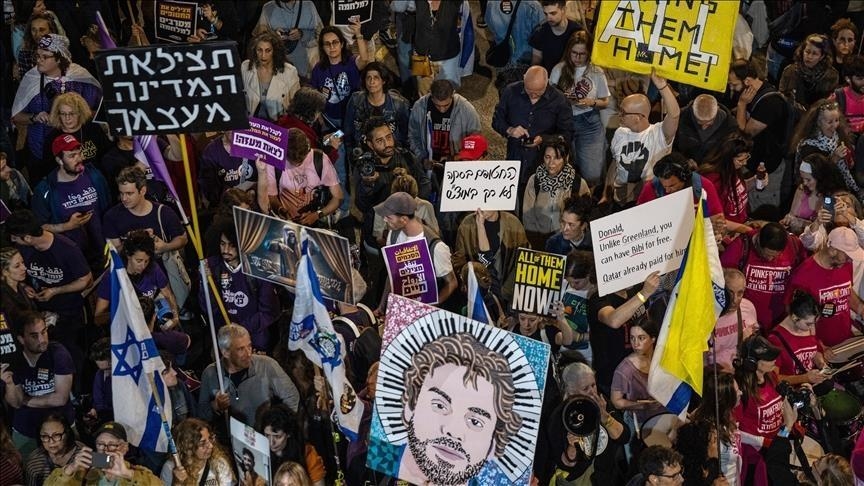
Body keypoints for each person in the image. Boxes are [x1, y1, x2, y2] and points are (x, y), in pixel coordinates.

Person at [396, 332, 523, 486]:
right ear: (410, 407)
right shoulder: (381, 458)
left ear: (492, 444)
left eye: (475, 422)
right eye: (440, 406)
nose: (453, 431)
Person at [5, 210, 93, 376]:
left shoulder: (67, 249)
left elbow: (86, 280)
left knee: (70, 356)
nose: (12, 241)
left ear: (28, 238)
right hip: (37, 313)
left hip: (69, 313)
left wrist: (55, 291)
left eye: (15, 238)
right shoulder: (23, 248)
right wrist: (23, 286)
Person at [11, 33, 101, 184]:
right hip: (41, 150)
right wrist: (34, 117)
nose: (39, 60)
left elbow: (99, 112)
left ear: (59, 58)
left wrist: (79, 114)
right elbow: (16, 117)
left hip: (79, 150)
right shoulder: (31, 78)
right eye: (37, 56)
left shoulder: (79, 76)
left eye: (45, 57)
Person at [31, 133, 111, 270]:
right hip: (71, 260)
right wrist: (66, 226)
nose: (79, 159)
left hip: (103, 254)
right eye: (72, 156)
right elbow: (38, 228)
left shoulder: (95, 176)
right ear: (59, 160)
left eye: (79, 153)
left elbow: (108, 209)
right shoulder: (45, 190)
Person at [732, 335, 804, 485]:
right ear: (752, 362)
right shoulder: (740, 389)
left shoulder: (771, 376)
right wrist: (763, 442)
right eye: (769, 358)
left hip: (777, 444)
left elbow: (781, 405)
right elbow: (733, 431)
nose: (774, 361)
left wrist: (790, 426)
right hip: (756, 456)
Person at [1, 311, 75, 456]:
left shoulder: (58, 352)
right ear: (21, 339)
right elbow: (15, 403)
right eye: (34, 336)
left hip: (61, 429)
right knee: (27, 467)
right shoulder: (12, 358)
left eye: (44, 332)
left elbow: (60, 399)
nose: (42, 339)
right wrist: (10, 383)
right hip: (26, 430)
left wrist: (25, 400)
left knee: (79, 462)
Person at [199, 324, 301, 426]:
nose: (248, 353)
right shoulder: (210, 374)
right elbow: (201, 415)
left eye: (249, 346)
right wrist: (216, 406)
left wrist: (279, 427)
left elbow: (292, 397)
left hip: (263, 433)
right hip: (230, 434)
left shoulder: (266, 365)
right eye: (240, 349)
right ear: (226, 353)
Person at [545, 362, 629, 486]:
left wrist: (606, 417)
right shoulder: (559, 416)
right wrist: (572, 447)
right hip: (579, 479)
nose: (592, 392)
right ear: (571, 391)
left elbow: (624, 437)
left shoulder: (601, 401)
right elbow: (565, 463)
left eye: (593, 385)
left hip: (606, 474)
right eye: (585, 389)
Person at [492, 65, 574, 190]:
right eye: (529, 90)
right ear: (524, 79)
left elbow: (567, 133)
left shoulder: (560, 101)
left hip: (543, 163)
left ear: (547, 83)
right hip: (514, 158)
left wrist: (544, 139)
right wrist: (510, 130)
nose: (533, 96)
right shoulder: (510, 91)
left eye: (538, 92)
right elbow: (497, 120)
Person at [203, 220, 280, 351]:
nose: (226, 250)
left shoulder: (258, 268)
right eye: (222, 244)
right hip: (226, 341)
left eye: (232, 245)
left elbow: (269, 311)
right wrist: (205, 282)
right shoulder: (211, 266)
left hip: (255, 342)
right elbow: (208, 307)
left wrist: (240, 329)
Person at [374, 192, 458, 309]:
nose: (384, 219)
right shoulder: (393, 235)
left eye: (389, 217)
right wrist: (382, 306)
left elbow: (452, 283)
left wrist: (429, 306)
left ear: (404, 219)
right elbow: (392, 274)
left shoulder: (436, 247)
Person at [608, 69, 680, 206]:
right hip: (620, 200)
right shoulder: (619, 133)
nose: (619, 115)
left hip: (648, 202)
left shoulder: (659, 134)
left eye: (623, 112)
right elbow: (615, 163)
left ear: (637, 117)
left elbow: (674, 115)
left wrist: (662, 87)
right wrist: (606, 193)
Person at [720, 222, 807, 330]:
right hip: (747, 322)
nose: (770, 259)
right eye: (766, 254)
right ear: (757, 242)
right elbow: (724, 279)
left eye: (775, 256)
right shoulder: (741, 246)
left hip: (780, 322)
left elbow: (804, 274)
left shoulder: (794, 245)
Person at [787, 226, 864, 347]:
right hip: (820, 347)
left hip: (845, 340)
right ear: (832, 250)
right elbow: (793, 316)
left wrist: (861, 309)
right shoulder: (803, 275)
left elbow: (846, 292)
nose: (850, 260)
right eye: (847, 255)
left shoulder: (845, 265)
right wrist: (817, 344)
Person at [550, 29, 610, 184]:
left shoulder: (596, 71)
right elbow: (549, 99)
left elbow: (605, 102)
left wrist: (592, 102)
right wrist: (563, 100)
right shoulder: (559, 69)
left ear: (589, 53)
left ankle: (590, 194)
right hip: (564, 121)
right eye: (574, 53)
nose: (577, 57)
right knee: (561, 169)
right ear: (568, 51)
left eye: (582, 54)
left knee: (592, 173)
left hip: (589, 122)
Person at [727, 57, 789, 202]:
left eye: (734, 84)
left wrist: (742, 104)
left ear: (747, 81)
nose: (731, 88)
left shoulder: (770, 103)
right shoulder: (753, 93)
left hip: (766, 168)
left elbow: (744, 134)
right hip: (750, 162)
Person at [589, 271, 659, 396]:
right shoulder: (599, 299)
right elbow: (613, 320)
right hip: (613, 377)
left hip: (642, 371)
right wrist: (644, 294)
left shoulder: (636, 289)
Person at [258, 128, 344, 226]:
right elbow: (271, 196)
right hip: (286, 223)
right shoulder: (274, 162)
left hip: (315, 223)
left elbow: (338, 197)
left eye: (302, 160)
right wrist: (280, 209)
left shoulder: (320, 159)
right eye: (293, 161)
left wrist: (316, 215)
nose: (298, 164)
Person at [451, 207, 529, 306]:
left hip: (509, 295)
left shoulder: (513, 223)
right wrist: (470, 283)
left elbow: (524, 259)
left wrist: (507, 292)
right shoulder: (467, 224)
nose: (482, 206)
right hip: (478, 295)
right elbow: (459, 260)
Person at [789, 98, 864, 202]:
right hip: (819, 198)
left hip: (844, 193)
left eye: (837, 120)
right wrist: (833, 160)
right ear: (818, 122)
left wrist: (849, 160)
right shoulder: (807, 147)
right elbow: (812, 177)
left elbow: (849, 169)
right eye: (830, 122)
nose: (835, 126)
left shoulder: (839, 137)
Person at [522, 135, 590, 249]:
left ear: (566, 158)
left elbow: (584, 215)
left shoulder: (577, 183)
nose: (551, 163)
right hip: (539, 241)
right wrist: (535, 241)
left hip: (567, 243)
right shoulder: (534, 180)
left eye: (557, 158)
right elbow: (527, 216)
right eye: (547, 157)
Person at [47, 421, 161, 485]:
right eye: (100, 444)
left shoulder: (138, 472)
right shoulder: (84, 473)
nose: (106, 450)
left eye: (112, 444)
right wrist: (70, 469)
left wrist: (128, 474)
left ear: (125, 448)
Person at [408, 79, 481, 170]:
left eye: (446, 105)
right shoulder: (419, 107)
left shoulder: (466, 109)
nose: (442, 110)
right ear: (431, 95)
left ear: (453, 94)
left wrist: (456, 158)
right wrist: (422, 158)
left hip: (456, 164)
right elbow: (413, 136)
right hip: (428, 163)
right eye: (437, 105)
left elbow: (476, 141)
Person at [610, 317, 668, 427]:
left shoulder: (664, 358)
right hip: (642, 422)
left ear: (653, 339)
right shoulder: (625, 369)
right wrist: (642, 406)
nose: (635, 344)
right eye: (632, 338)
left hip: (667, 416)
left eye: (641, 338)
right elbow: (616, 401)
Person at [698, 133, 759, 235]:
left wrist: (754, 181)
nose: (745, 163)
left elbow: (736, 190)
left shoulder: (733, 169)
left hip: (742, 225)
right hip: (725, 233)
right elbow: (714, 219)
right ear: (727, 158)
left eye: (747, 157)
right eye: (740, 160)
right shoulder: (711, 180)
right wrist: (745, 229)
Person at [689, 371, 743, 486]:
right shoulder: (708, 433)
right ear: (725, 398)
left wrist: (763, 441)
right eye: (737, 391)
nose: (741, 393)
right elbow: (701, 472)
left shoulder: (726, 418)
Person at [345, 62, 412, 154]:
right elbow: (348, 132)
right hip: (363, 152)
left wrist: (402, 155)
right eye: (368, 78)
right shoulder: (356, 100)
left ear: (383, 81)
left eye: (376, 78)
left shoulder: (399, 104)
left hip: (391, 152)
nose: (371, 82)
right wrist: (352, 154)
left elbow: (406, 135)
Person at [310, 23, 369, 126]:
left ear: (342, 44)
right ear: (322, 47)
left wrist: (358, 34)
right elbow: (314, 95)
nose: (332, 47)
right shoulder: (318, 69)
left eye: (335, 42)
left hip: (353, 116)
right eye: (327, 44)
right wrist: (319, 116)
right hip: (329, 119)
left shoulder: (351, 62)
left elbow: (364, 60)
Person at [768, 290, 828, 387]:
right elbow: (773, 379)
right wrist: (804, 378)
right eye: (808, 324)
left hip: (811, 385)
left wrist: (821, 363)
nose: (812, 327)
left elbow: (813, 352)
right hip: (792, 391)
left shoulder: (809, 327)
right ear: (794, 318)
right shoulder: (775, 339)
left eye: (814, 323)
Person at [256, 403, 326, 486]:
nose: (271, 443)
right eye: (267, 435)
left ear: (288, 433)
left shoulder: (307, 453)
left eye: (277, 436)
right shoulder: (260, 452)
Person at [41, 91, 111, 169]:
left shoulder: (92, 128)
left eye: (71, 113)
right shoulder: (52, 138)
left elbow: (107, 154)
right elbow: (48, 169)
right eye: (63, 114)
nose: (67, 118)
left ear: (80, 113)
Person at [780, 153, 846, 235]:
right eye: (802, 179)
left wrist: (802, 223)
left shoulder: (833, 197)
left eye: (808, 180)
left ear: (820, 177)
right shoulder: (801, 189)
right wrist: (787, 220)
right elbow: (792, 215)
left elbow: (827, 228)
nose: (804, 183)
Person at [255, 0, 323, 80]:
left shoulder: (308, 6)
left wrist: (302, 33)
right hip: (278, 70)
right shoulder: (268, 8)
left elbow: (321, 35)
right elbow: (259, 38)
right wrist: (273, 36)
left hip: (306, 69)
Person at [242, 31, 300, 121]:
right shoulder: (245, 67)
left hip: (279, 125)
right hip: (252, 124)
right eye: (259, 50)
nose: (263, 55)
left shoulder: (290, 72)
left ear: (275, 51)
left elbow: (296, 106)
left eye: (268, 50)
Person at [709, 268, 759, 372]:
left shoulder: (748, 307)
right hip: (714, 375)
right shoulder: (707, 316)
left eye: (740, 293)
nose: (735, 300)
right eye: (730, 293)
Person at [160, 418, 235, 485]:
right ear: (188, 447)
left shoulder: (219, 463)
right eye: (202, 443)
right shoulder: (170, 468)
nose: (211, 446)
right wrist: (177, 483)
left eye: (210, 438)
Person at [197, 131, 258, 209]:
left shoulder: (254, 145)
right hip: (226, 208)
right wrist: (232, 196)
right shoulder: (211, 152)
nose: (232, 130)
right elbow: (209, 190)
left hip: (253, 205)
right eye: (229, 126)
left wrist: (253, 190)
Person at [675, 93, 739, 166]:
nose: (703, 127)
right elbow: (672, 145)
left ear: (717, 109)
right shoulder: (680, 118)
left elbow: (729, 154)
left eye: (709, 122)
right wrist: (683, 161)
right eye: (699, 122)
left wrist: (711, 167)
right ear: (692, 109)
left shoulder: (730, 126)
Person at [779, 34, 839, 109]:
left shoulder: (831, 75)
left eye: (815, 54)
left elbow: (829, 103)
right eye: (807, 52)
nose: (809, 57)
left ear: (822, 56)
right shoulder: (790, 71)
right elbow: (781, 98)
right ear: (802, 51)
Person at [23, 414, 83, 486]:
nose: (51, 442)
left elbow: (99, 462)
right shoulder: (34, 464)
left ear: (67, 434)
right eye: (45, 436)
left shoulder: (81, 453)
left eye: (56, 435)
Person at [486, 0, 545, 66]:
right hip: (528, 60)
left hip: (504, 57)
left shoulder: (491, 3)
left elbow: (491, 27)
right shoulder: (534, 6)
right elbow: (540, 38)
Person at [530, 1, 581, 73]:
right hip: (547, 77)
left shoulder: (576, 32)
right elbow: (536, 60)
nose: (548, 18)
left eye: (553, 13)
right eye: (546, 14)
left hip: (570, 76)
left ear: (563, 10)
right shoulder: (540, 31)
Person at [0, 247, 38, 321]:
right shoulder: (3, 298)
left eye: (23, 262)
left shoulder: (20, 286)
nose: (24, 268)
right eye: (17, 266)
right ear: (5, 272)